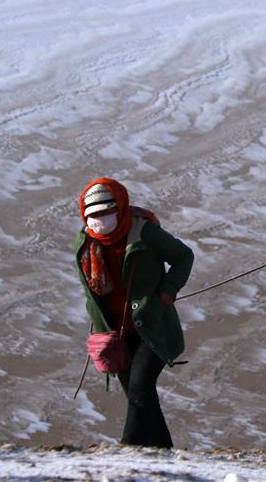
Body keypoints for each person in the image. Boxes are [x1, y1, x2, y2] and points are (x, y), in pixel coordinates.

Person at [74, 177, 194, 448]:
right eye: (93, 215)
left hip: (151, 326)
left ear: (120, 208)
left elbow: (183, 256)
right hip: (115, 334)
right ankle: (164, 454)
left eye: (105, 213)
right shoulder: (85, 244)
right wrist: (99, 326)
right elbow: (89, 291)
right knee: (141, 398)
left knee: (140, 388)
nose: (99, 220)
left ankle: (127, 450)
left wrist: (167, 291)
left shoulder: (145, 233)